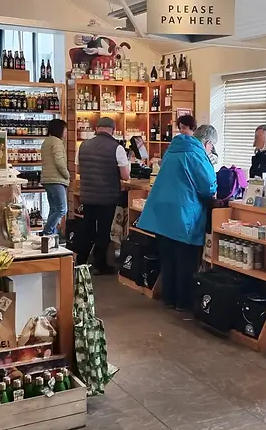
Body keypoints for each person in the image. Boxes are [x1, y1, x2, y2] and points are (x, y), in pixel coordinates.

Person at [138, 124, 217, 310]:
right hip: (184, 213)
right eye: (212, 146)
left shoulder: (173, 150)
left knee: (168, 258)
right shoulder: (197, 154)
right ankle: (184, 302)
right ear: (207, 143)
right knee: (186, 260)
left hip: (162, 212)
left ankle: (169, 298)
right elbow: (208, 187)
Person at [77, 116, 130, 273]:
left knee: (87, 229)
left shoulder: (83, 146)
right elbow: (126, 176)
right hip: (107, 197)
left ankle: (80, 262)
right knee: (103, 230)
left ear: (97, 128)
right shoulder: (117, 148)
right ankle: (100, 264)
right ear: (112, 130)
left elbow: (79, 170)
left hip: (87, 195)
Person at [40, 118, 71, 236]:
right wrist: (67, 175)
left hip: (47, 179)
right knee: (62, 209)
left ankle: (51, 235)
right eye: (65, 130)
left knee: (53, 208)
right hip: (56, 179)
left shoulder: (46, 141)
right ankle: (47, 232)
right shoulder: (57, 142)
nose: (66, 133)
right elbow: (59, 162)